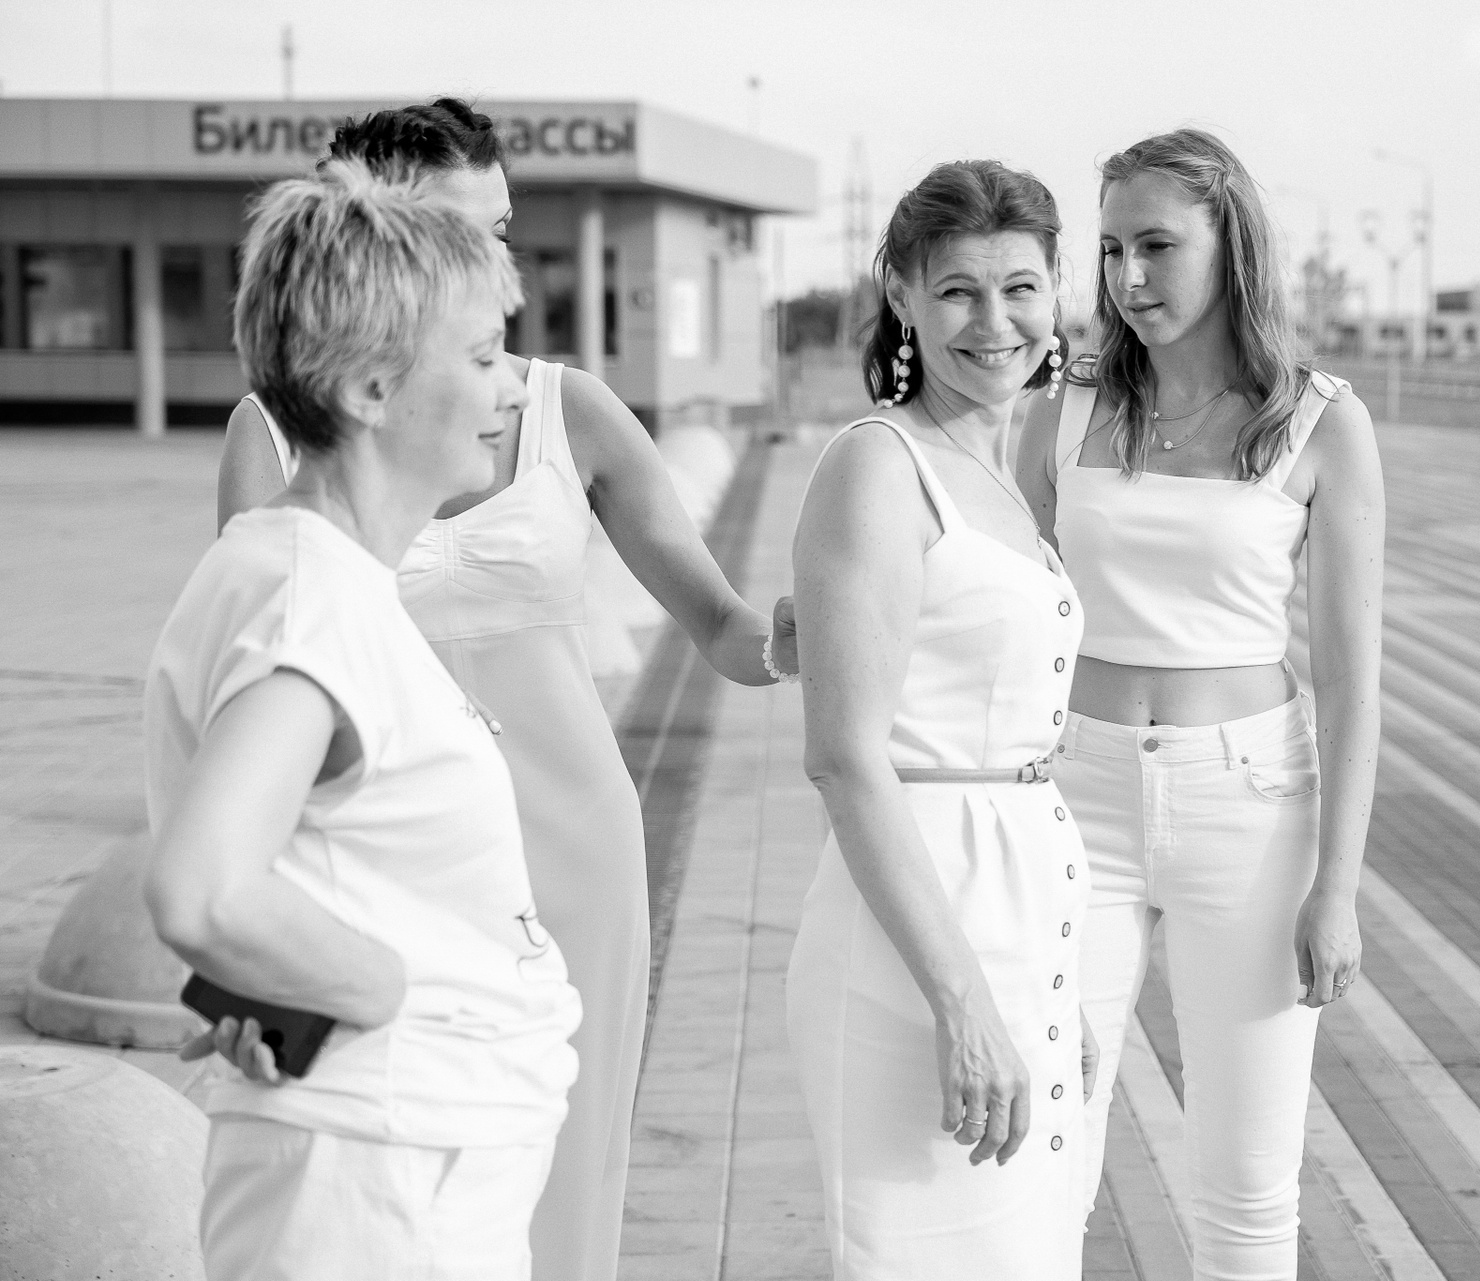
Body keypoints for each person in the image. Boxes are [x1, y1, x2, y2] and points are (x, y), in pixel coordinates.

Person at [213, 99, 793, 1281]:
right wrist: (239, 948)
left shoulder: (568, 408)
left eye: (501, 233)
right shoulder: (274, 438)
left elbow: (725, 631)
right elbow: (247, 689)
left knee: (572, 1153)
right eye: (453, 236)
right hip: (381, 855)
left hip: (572, 840)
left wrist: (817, 626)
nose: (495, 271)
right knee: (398, 1169)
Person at [145, 160, 577, 1280]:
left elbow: (298, 862)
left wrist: (277, 985)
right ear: (372, 387)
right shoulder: (313, 603)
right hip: (383, 1183)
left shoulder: (299, 575)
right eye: (482, 357)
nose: (513, 390)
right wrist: (381, 990)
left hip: (389, 1163)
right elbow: (202, 889)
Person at [1015, 129, 1384, 1281]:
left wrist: (1338, 887)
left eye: (1158, 246)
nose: (1129, 278)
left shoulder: (1319, 422)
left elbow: (1351, 678)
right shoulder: (1066, 406)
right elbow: (996, 601)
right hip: (1076, 796)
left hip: (1252, 807)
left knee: (1246, 1183)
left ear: (1231, 245)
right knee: (1045, 1148)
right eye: (1111, 249)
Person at [785, 160, 1095, 1281]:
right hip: (915, 946)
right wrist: (963, 1006)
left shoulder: (1003, 478)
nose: (994, 322)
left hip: (1020, 930)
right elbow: (844, 759)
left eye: (1021, 288)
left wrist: (1054, 994)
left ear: (1055, 294)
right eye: (958, 290)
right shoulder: (880, 466)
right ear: (903, 295)